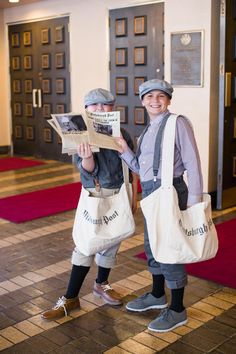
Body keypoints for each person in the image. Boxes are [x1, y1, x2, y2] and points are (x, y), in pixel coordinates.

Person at [41, 88, 137, 320]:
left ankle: (101, 283)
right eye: (94, 106)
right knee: (85, 245)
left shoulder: (121, 132)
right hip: (95, 195)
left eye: (105, 105)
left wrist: (134, 197)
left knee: (112, 241)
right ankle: (70, 297)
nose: (100, 109)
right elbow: (88, 171)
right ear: (86, 110)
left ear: (113, 109)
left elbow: (133, 167)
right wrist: (87, 157)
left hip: (120, 193)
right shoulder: (79, 133)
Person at [116, 79, 203, 333]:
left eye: (161, 96)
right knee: (153, 245)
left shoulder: (178, 123)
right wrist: (123, 150)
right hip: (153, 192)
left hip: (172, 191)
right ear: (142, 101)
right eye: (149, 96)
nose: (155, 100)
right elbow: (142, 171)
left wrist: (195, 201)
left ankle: (177, 309)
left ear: (168, 100)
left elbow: (192, 162)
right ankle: (157, 294)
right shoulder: (146, 131)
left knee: (170, 248)